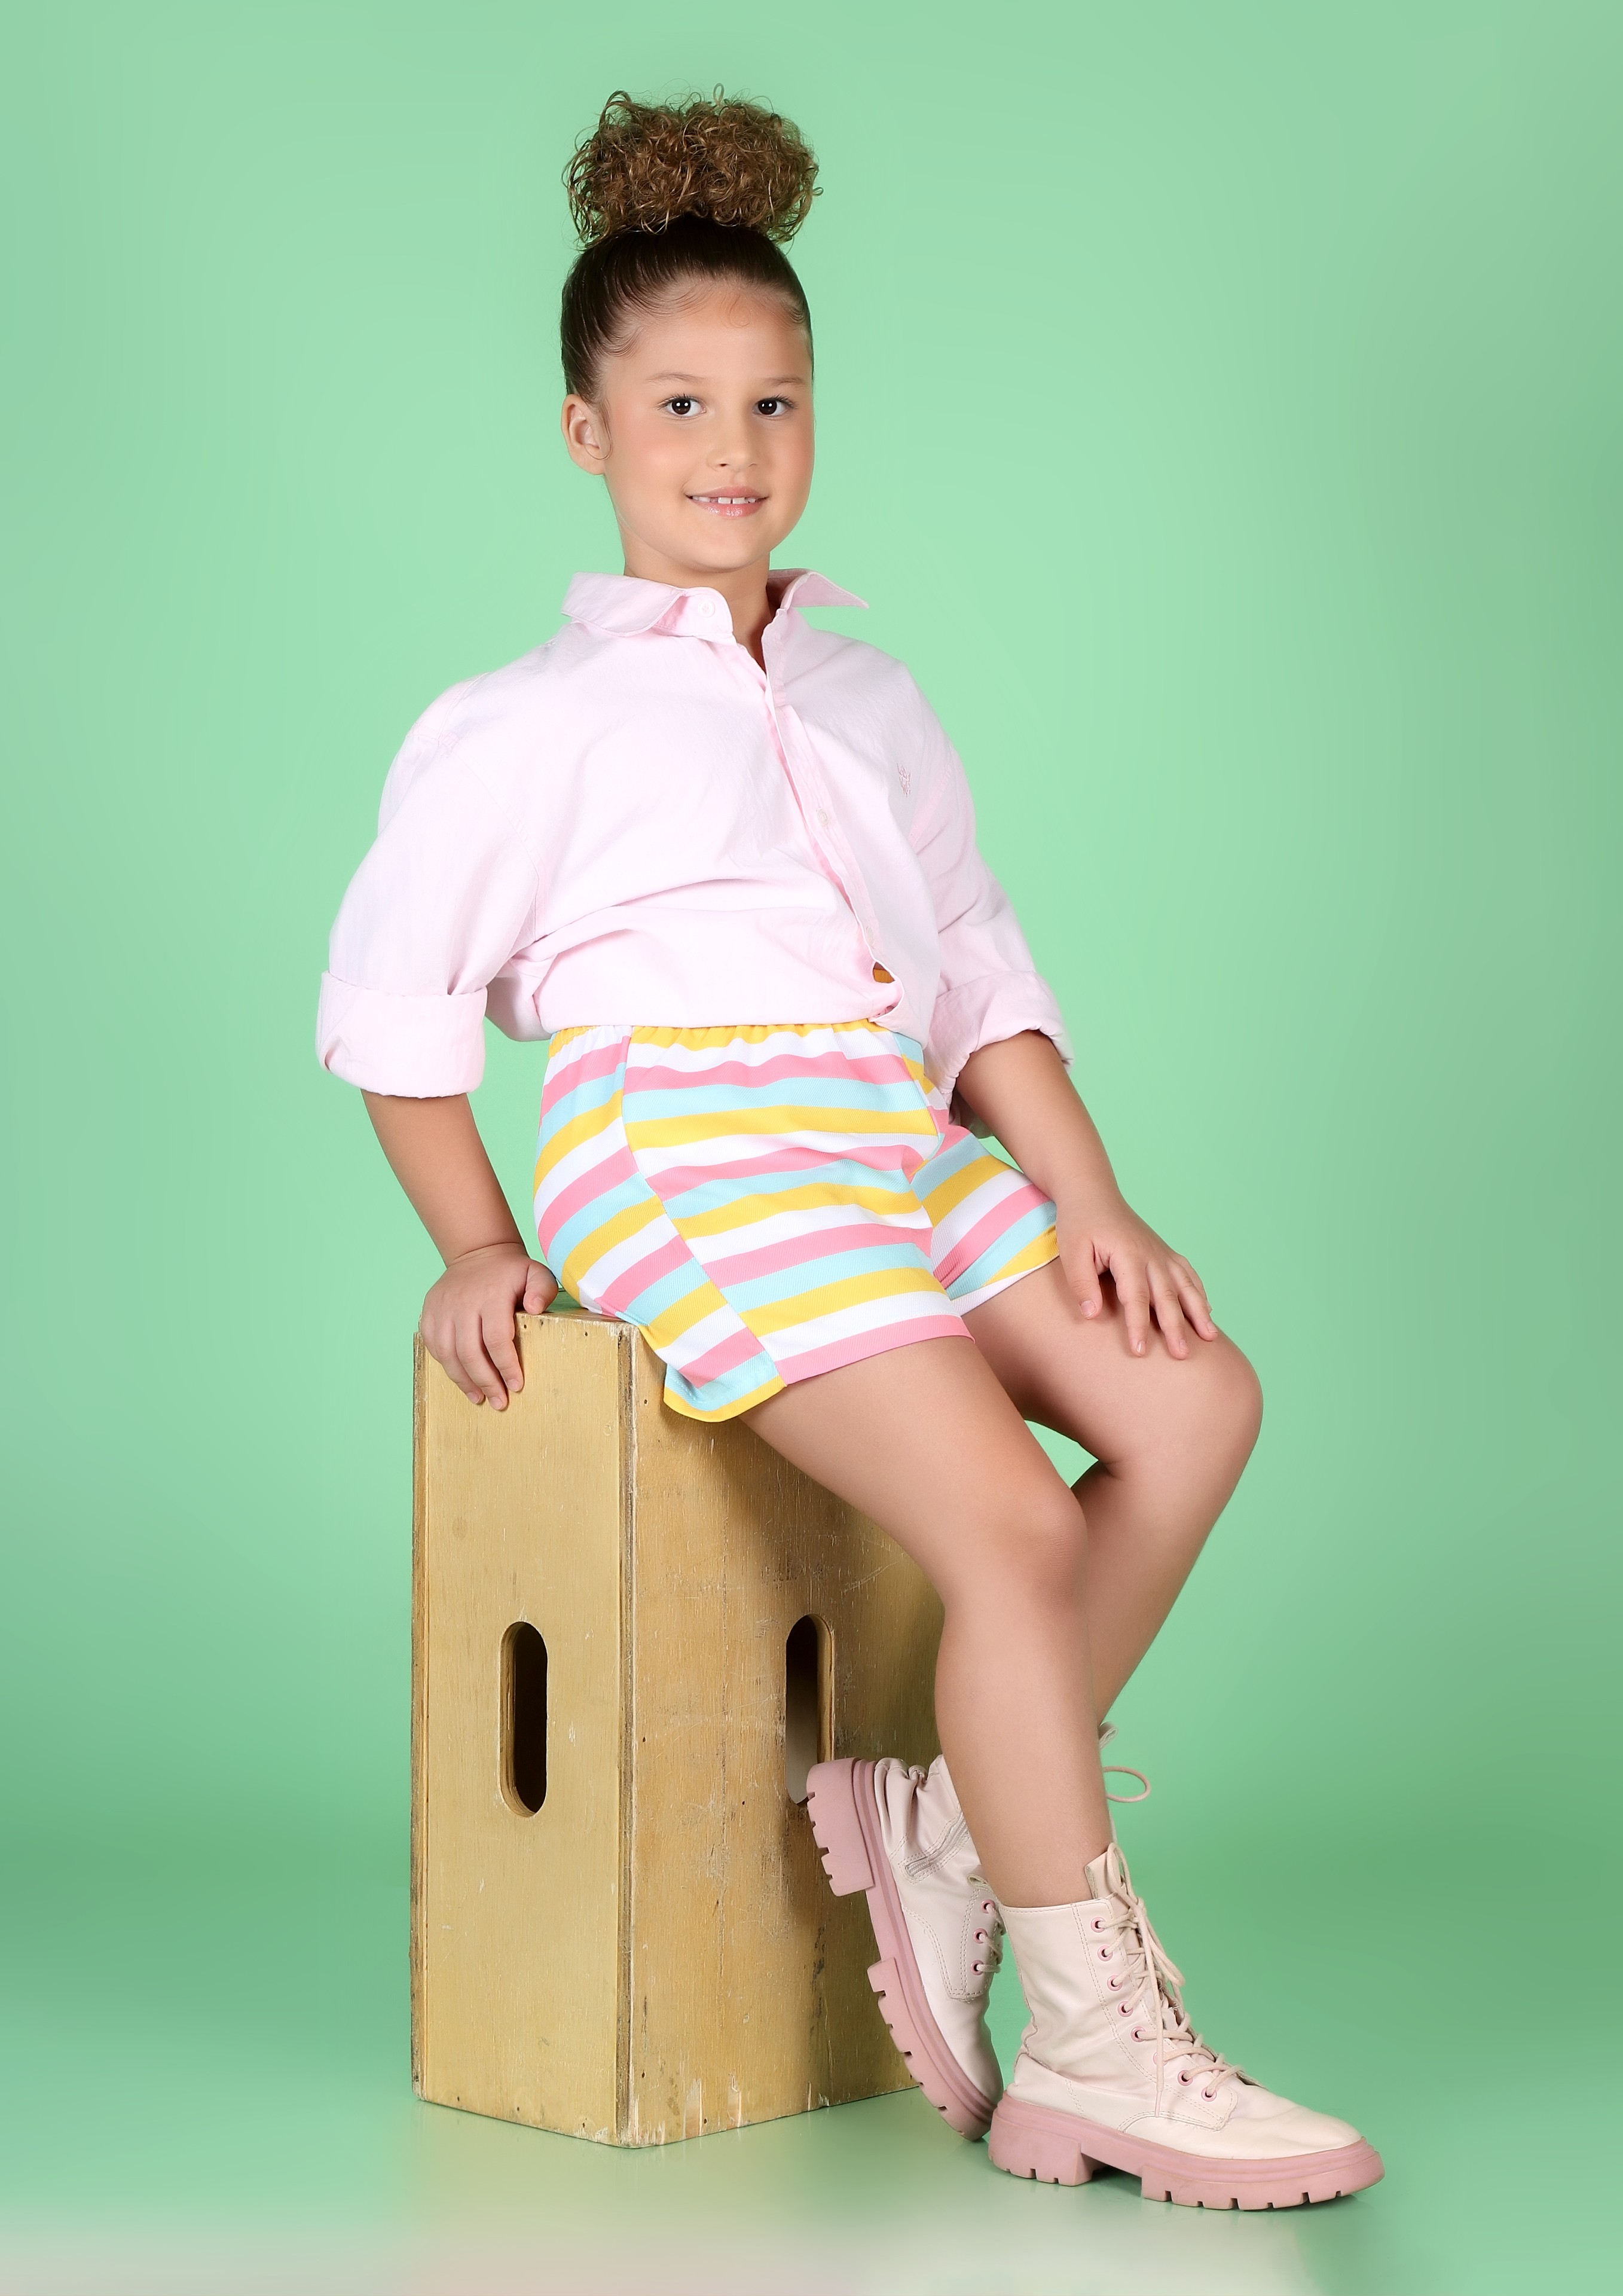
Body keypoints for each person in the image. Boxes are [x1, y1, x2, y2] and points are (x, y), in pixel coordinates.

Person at [317, 90, 1381, 2209]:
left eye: (773, 403)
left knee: (1194, 1405)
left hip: (887, 1133)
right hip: (692, 1145)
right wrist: (474, 1240)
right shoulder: (526, 723)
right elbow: (392, 1005)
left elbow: (974, 975)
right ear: (586, 433)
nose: (733, 446)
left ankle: (948, 1818)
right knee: (1007, 1527)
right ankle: (1093, 2047)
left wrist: (1087, 1195)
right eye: (681, 406)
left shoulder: (873, 701)